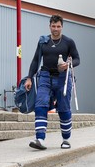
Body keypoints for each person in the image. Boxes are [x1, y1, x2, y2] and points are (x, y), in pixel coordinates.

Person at [24, 14, 80, 150]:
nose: (56, 29)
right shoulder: (43, 41)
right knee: (40, 104)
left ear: (62, 27)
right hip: (45, 76)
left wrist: (68, 65)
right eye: (53, 26)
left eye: (58, 26)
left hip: (63, 78)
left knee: (63, 108)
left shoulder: (69, 42)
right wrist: (29, 77)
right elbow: (36, 60)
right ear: (49, 26)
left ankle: (66, 139)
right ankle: (40, 139)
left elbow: (77, 59)